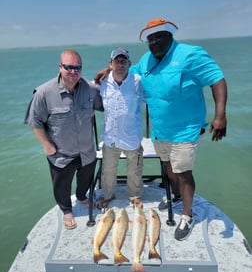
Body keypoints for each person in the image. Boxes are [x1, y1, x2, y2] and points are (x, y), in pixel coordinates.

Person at [94, 18, 227, 241]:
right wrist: (106, 69)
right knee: (168, 168)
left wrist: (220, 115)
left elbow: (217, 79)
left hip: (185, 130)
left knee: (183, 173)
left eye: (159, 37)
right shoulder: (146, 60)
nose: (154, 42)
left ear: (170, 36)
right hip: (160, 131)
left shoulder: (190, 54)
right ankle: (175, 196)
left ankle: (187, 215)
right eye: (150, 39)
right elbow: (127, 71)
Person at [25, 50, 103, 230]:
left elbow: (108, 104)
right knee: (62, 186)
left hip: (86, 151)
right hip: (61, 154)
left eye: (77, 68)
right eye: (69, 67)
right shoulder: (43, 93)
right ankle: (66, 209)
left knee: (85, 181)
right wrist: (46, 144)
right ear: (60, 67)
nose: (73, 72)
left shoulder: (90, 89)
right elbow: (35, 122)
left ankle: (82, 197)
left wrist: (111, 76)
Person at [97, 47, 144, 210]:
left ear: (129, 64)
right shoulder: (101, 82)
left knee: (135, 171)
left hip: (131, 136)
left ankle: (135, 195)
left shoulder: (137, 81)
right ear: (110, 64)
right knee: (108, 171)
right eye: (117, 61)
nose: (120, 64)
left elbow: (152, 99)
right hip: (110, 137)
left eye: (124, 61)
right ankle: (108, 195)